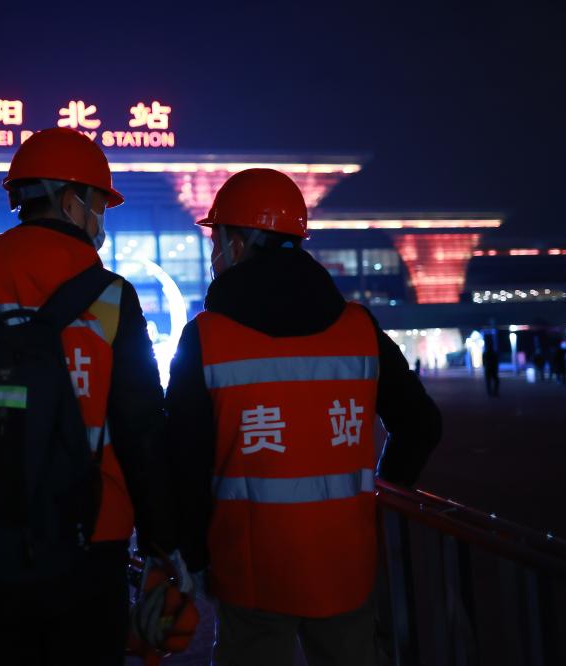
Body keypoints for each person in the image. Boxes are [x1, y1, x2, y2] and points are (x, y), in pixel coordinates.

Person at [0, 127, 182, 665]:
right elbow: (142, 428)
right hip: (93, 535)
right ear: (73, 202)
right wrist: (161, 541)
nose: (101, 220)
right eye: (100, 204)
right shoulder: (110, 297)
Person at [166, 169, 443, 666]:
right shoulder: (359, 329)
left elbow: (182, 461)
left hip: (250, 570)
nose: (213, 253)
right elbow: (421, 425)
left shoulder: (205, 337)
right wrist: (375, 498)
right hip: (346, 564)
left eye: (217, 237)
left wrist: (193, 553)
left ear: (239, 242)